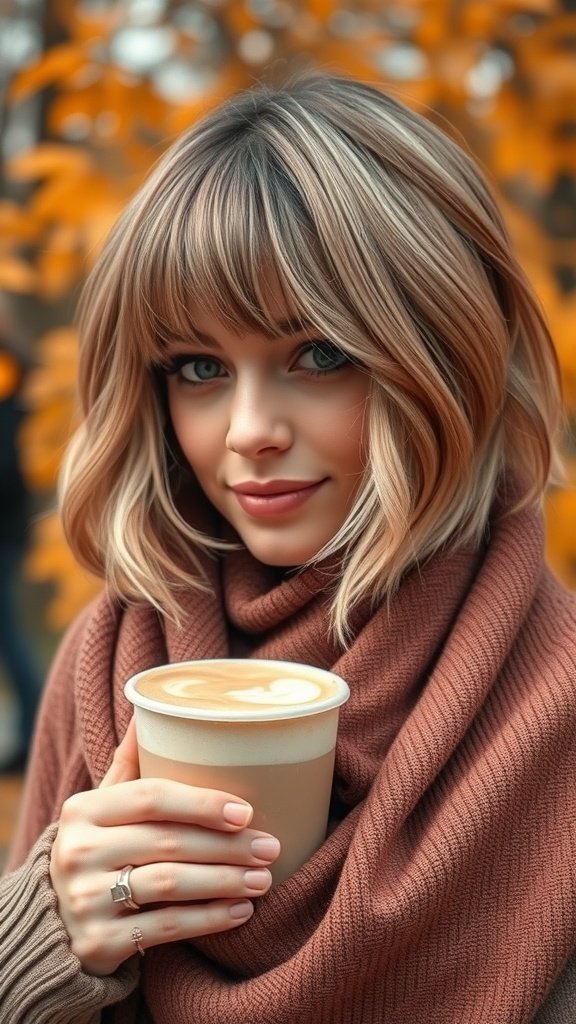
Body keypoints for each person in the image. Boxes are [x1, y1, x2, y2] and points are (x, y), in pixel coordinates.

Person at [0, 70, 575, 1024]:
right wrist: (43, 938)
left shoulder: (553, 714)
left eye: (319, 354)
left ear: (446, 352)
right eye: (199, 368)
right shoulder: (105, 665)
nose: (248, 430)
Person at [0, 299, 43, 772]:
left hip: (4, 526)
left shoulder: (7, 372)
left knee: (9, 635)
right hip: (10, 523)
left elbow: (6, 464)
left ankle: (31, 729)